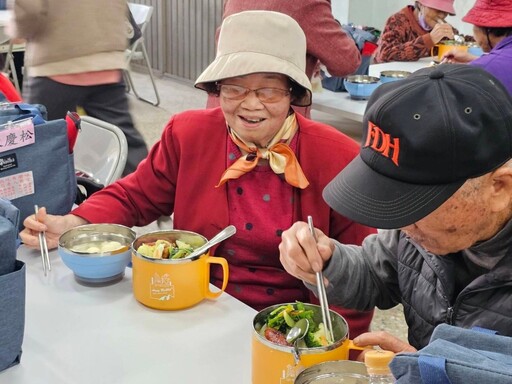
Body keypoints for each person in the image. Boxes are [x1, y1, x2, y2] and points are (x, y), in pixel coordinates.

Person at [20, 11, 376, 339]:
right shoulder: (188, 133)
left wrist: (336, 345)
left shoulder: (337, 156)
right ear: (218, 89)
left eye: (268, 90)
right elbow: (136, 195)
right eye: (234, 88)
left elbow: (359, 272)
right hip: (193, 307)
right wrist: (75, 222)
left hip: (291, 329)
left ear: (293, 93)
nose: (250, 105)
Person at [279, 64, 512, 354]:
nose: (403, 224)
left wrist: (437, 372)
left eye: (418, 201)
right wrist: (325, 261)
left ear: (500, 188)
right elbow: (377, 272)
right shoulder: (417, 231)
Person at [6, 0, 148, 175]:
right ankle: (152, 191)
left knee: (39, 142)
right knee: (126, 143)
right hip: (105, 59)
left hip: (56, 63)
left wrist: (18, 28)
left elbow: (28, 11)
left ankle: (46, 199)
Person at [206, 0, 362, 118]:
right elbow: (346, 62)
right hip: (271, 119)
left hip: (224, 105)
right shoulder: (307, 3)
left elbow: (223, 40)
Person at [441, 0, 512, 95]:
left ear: (487, 29)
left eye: (474, 27)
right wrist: (477, 59)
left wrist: (479, 64)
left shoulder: (482, 71)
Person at [374, 0, 459, 63]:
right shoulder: (397, 21)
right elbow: (386, 54)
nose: (441, 16)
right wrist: (429, 39)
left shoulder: (441, 27)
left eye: (445, 13)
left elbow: (460, 39)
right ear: (421, 5)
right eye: (437, 10)